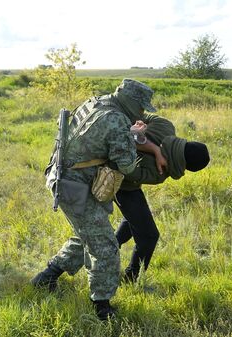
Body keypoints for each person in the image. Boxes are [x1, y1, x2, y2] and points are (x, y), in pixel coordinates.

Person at [31, 79, 157, 320]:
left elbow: (97, 137)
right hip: (75, 188)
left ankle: (46, 277)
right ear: (131, 103)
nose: (141, 113)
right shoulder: (117, 120)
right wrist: (135, 138)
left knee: (87, 234)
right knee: (106, 247)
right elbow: (127, 165)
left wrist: (125, 133)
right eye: (141, 108)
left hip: (64, 180)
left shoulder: (96, 103)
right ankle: (102, 305)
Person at [116, 114, 210, 282]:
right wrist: (137, 136)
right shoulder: (160, 171)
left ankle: (111, 247)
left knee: (137, 222)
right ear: (185, 167)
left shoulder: (165, 126)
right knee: (149, 236)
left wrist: (135, 126)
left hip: (117, 177)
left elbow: (137, 112)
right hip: (117, 184)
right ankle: (130, 279)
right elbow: (127, 173)